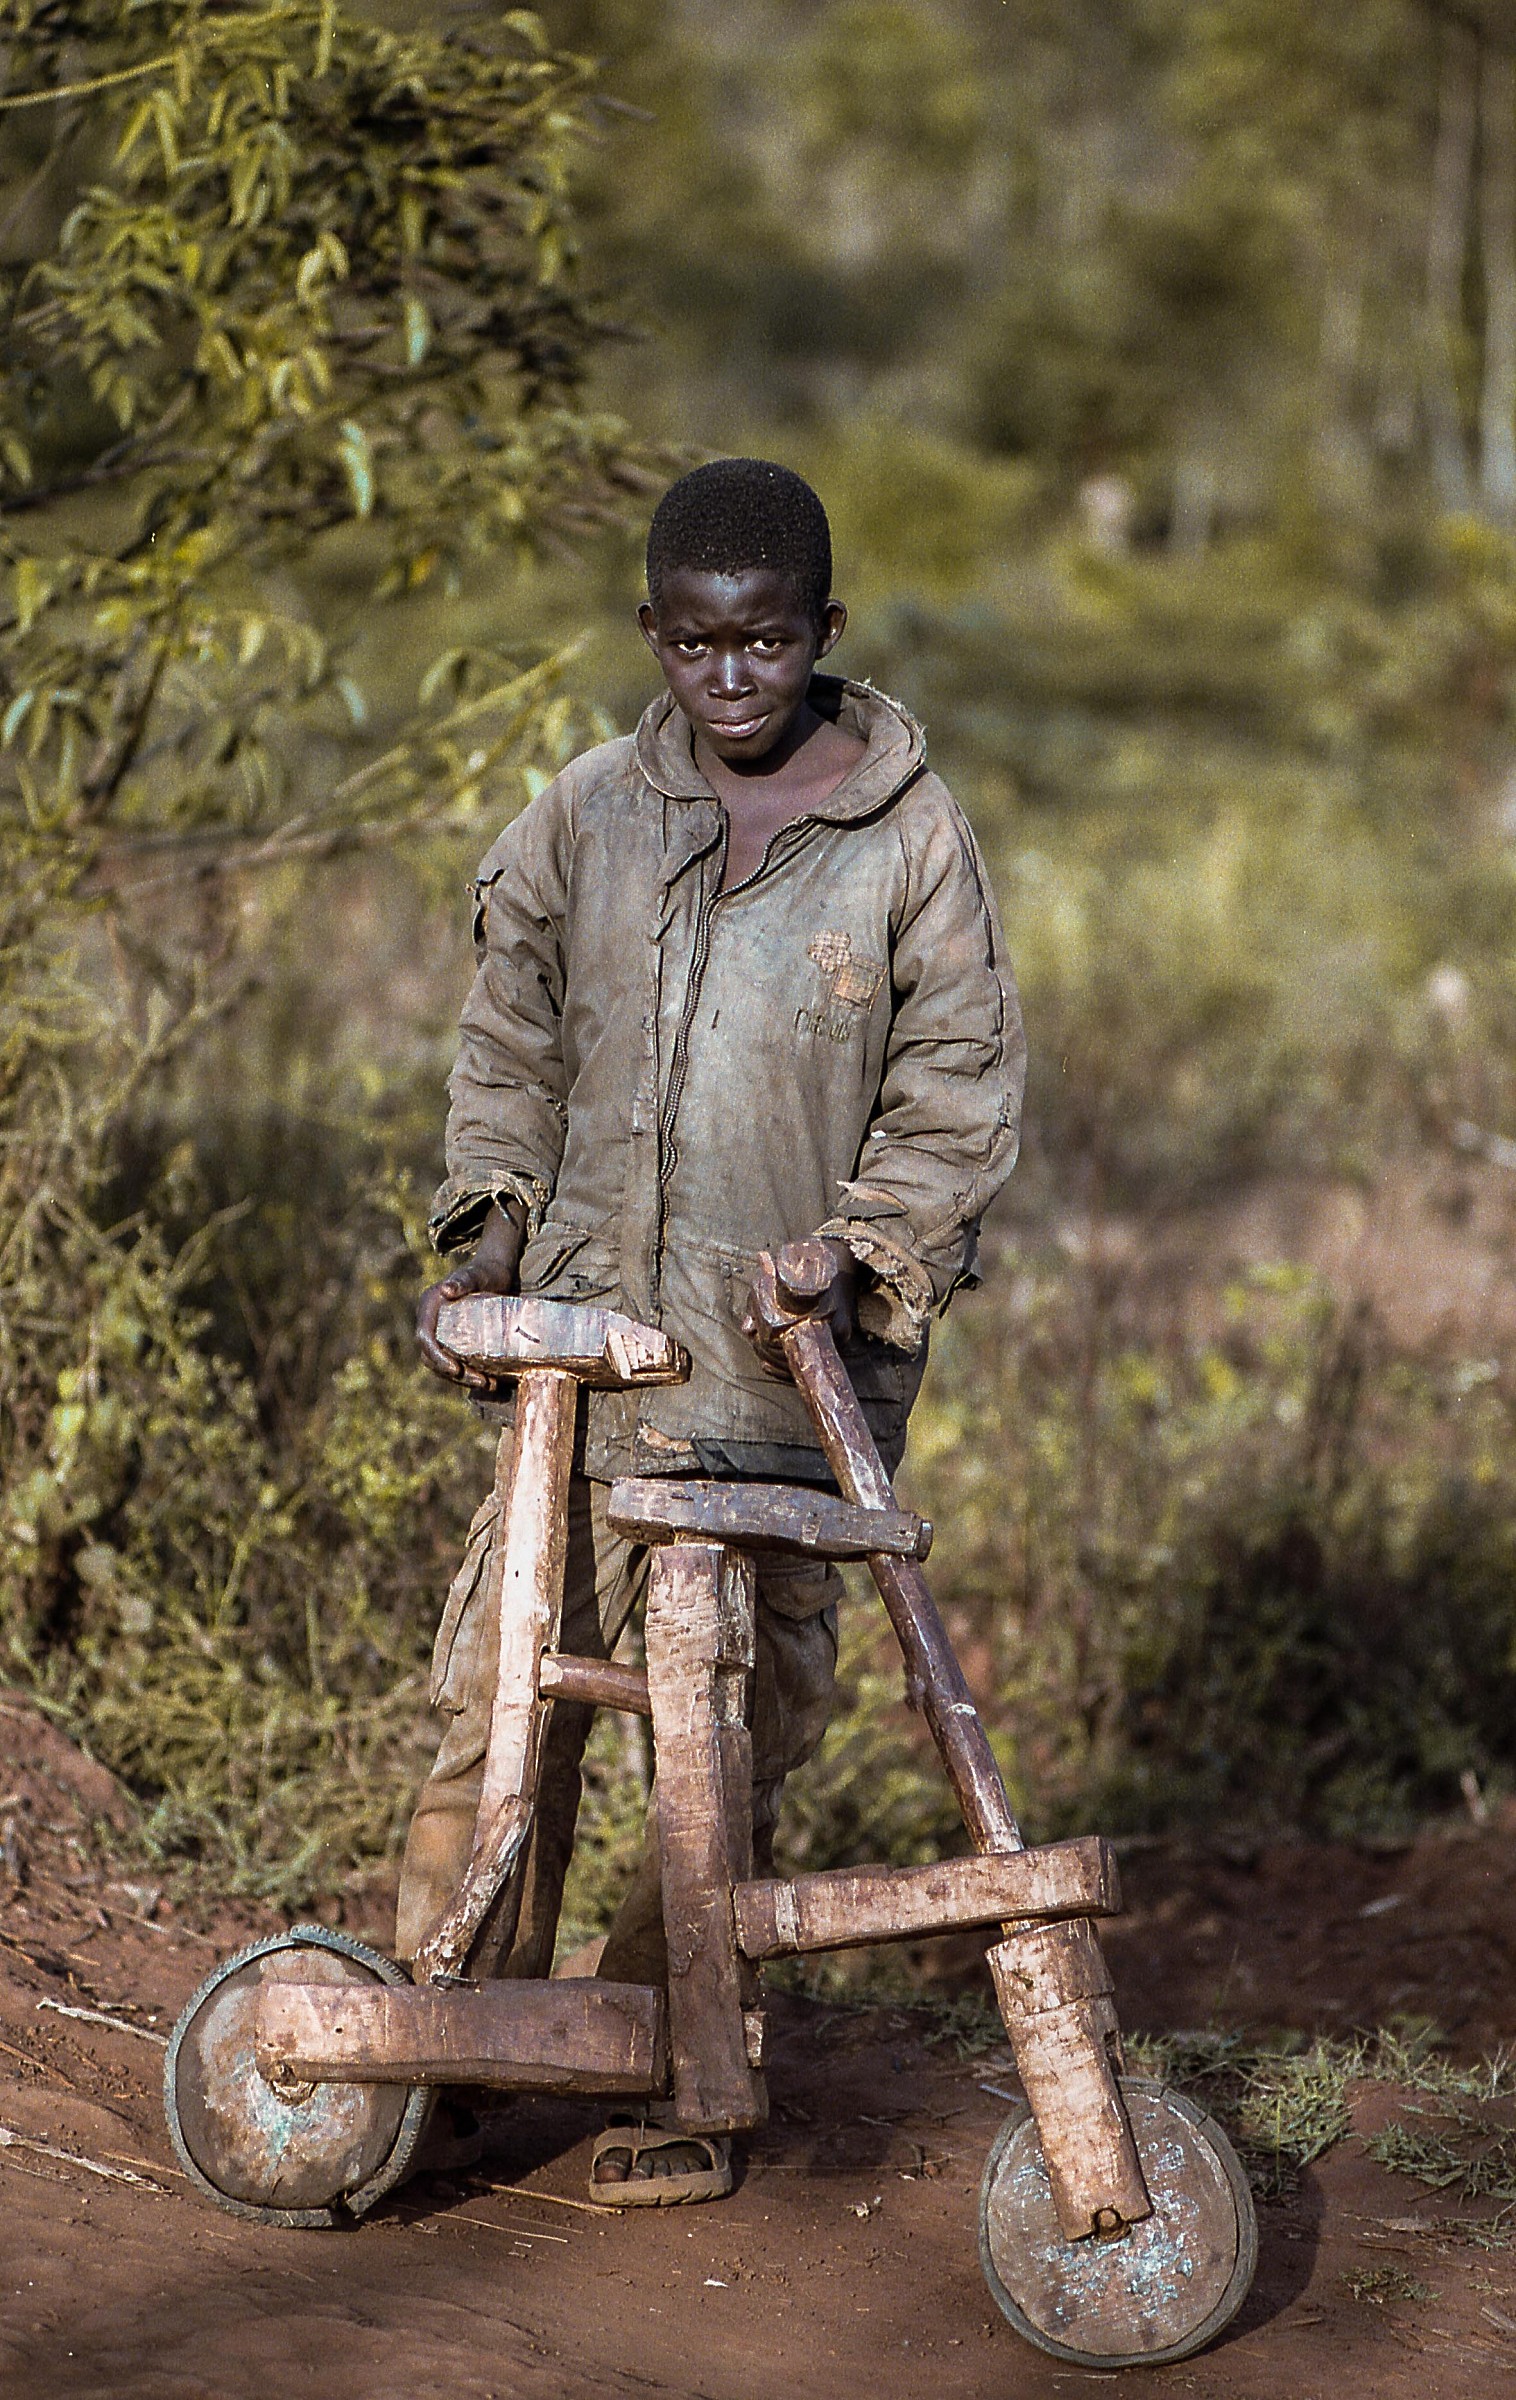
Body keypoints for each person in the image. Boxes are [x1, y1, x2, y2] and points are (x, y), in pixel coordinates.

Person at [399, 456, 1025, 2201]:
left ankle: (669, 2055)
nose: (730, 679)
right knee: (499, 1706)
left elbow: (957, 1091)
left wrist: (864, 1247)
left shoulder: (909, 836)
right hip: (583, 1381)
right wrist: (489, 1232)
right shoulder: (586, 816)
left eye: (762, 644)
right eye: (693, 646)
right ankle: (445, 2050)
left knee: (732, 1732)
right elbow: (507, 1042)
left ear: (823, 632)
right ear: (654, 639)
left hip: (777, 1389)